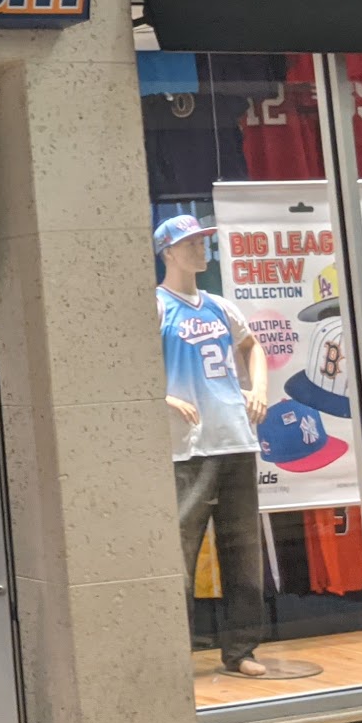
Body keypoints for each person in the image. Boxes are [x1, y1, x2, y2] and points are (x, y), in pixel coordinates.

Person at [155, 215, 270, 678]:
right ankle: (175, 656)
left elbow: (253, 346)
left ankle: (242, 650)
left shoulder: (221, 306)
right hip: (188, 448)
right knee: (181, 553)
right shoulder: (157, 305)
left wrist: (259, 389)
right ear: (168, 252)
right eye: (190, 244)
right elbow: (127, 365)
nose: (200, 250)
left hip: (236, 438)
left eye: (203, 242)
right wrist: (162, 396)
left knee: (243, 547)